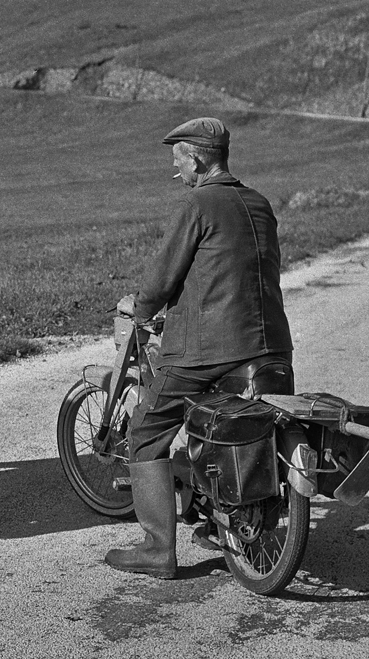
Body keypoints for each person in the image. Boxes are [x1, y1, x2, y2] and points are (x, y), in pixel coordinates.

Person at [106, 116, 293, 579]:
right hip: (270, 346)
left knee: (146, 431)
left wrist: (143, 305)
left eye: (179, 161)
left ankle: (157, 549)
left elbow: (163, 275)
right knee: (244, 423)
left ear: (197, 158)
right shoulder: (260, 203)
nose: (177, 170)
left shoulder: (198, 204)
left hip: (210, 347)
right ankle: (221, 511)